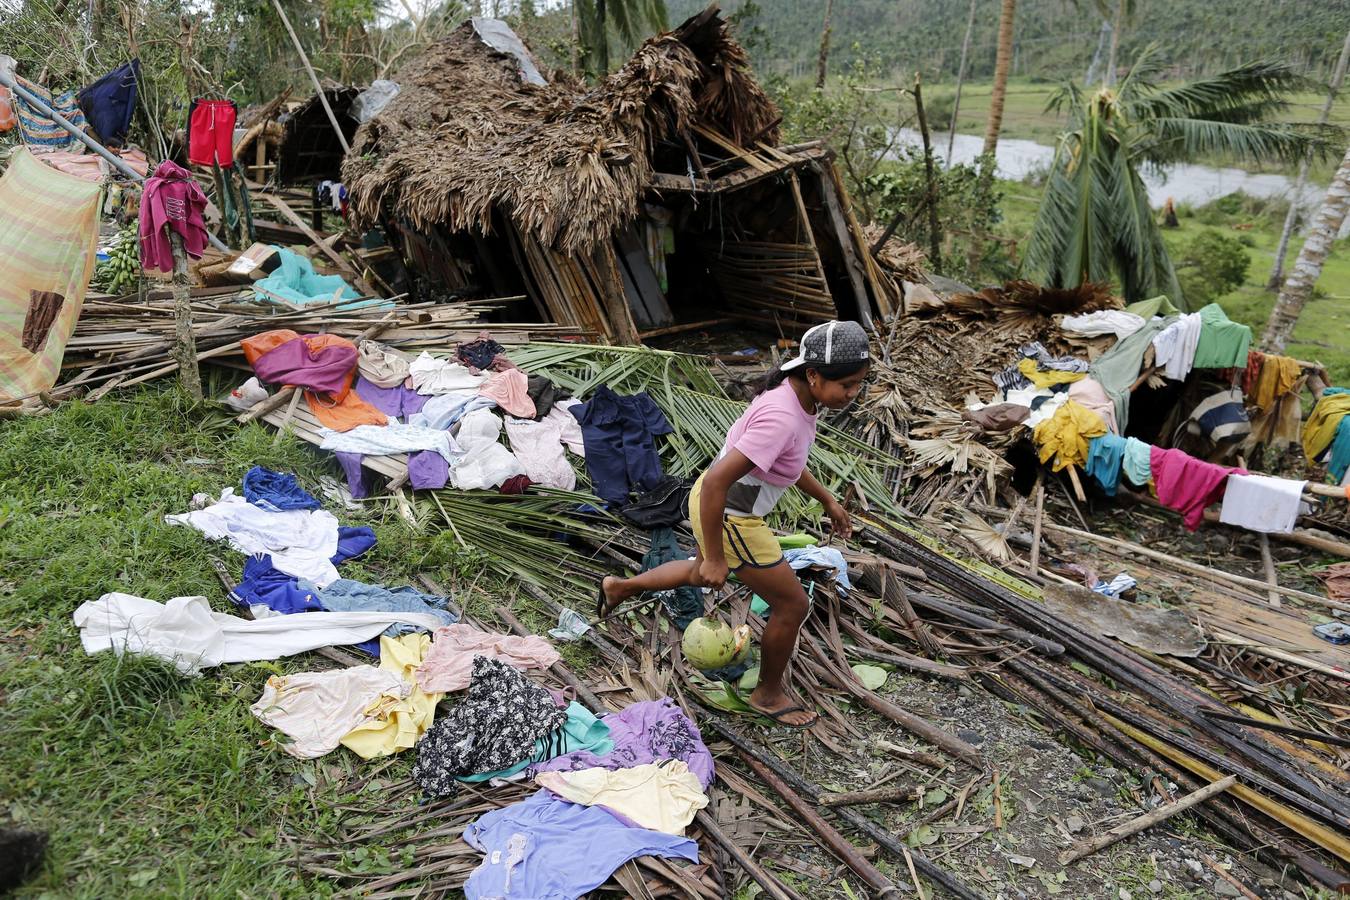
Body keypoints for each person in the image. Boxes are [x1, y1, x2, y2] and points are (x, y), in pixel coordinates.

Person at [597, 320, 871, 728]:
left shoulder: (799, 400)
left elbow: (789, 461)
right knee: (792, 604)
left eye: (858, 385)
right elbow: (718, 484)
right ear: (813, 374)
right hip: (730, 516)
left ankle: (621, 586)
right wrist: (715, 554)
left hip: (722, 510)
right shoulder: (781, 416)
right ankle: (767, 694)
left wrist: (828, 499)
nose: (852, 395)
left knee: (696, 571)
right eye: (846, 385)